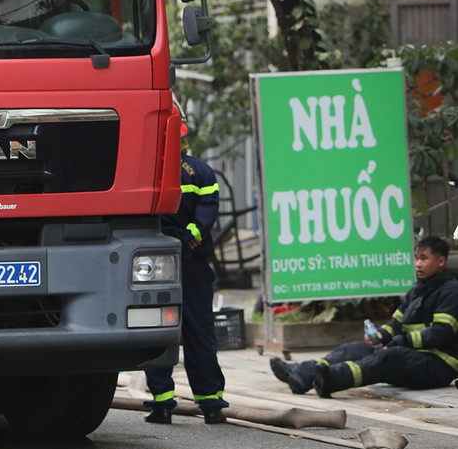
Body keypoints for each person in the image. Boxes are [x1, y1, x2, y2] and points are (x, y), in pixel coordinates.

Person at [270, 236, 458, 396]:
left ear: (440, 261)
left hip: (438, 365)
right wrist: (380, 335)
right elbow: (395, 324)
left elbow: (440, 333)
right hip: (410, 354)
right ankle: (301, 374)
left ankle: (331, 380)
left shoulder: (450, 292)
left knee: (390, 356)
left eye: (424, 258)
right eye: (416, 258)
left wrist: (400, 341)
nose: (418, 264)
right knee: (353, 349)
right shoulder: (416, 291)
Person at [144, 142, 228, 425]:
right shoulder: (201, 171)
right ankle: (211, 404)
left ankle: (163, 403)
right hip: (192, 259)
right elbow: (208, 208)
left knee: (156, 328)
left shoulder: (149, 170)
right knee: (200, 331)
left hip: (155, 262)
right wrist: (191, 234)